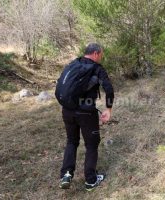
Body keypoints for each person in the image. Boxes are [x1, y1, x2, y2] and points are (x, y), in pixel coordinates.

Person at [59, 43, 114, 191]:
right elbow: (108, 88)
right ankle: (90, 180)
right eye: (101, 54)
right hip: (86, 112)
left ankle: (66, 174)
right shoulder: (97, 68)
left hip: (67, 110)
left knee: (72, 141)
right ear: (96, 53)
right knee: (91, 144)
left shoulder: (73, 64)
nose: (101, 57)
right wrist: (108, 109)